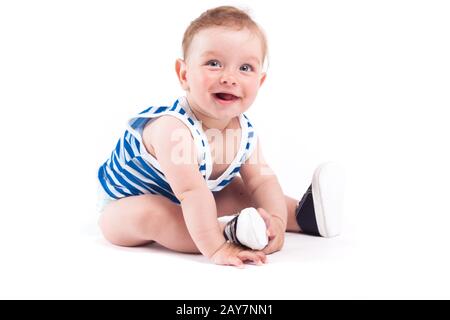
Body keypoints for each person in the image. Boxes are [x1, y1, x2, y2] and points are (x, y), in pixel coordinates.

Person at [97, 6, 345, 268]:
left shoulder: (243, 132)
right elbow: (191, 193)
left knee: (240, 189)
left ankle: (304, 216)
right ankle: (229, 233)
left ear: (260, 82)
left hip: (193, 199)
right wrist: (216, 248)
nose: (229, 78)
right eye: (214, 64)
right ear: (184, 75)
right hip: (124, 209)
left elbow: (262, 181)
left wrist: (278, 223)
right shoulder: (174, 129)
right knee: (157, 213)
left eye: (245, 68)